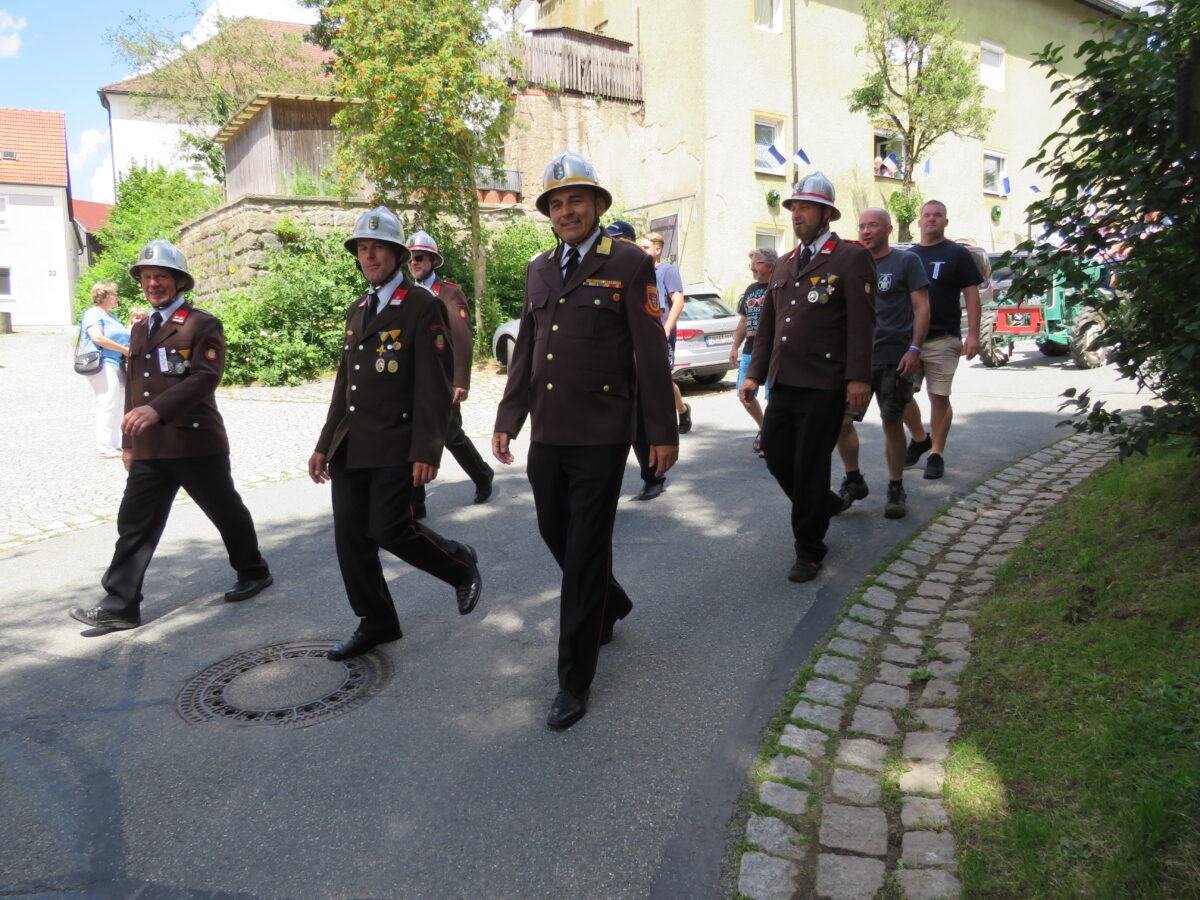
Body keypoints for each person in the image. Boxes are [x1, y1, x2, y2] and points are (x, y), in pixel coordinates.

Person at [492, 152, 678, 729]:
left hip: (602, 431)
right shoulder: (539, 268)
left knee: (584, 552)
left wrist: (660, 430)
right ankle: (611, 601)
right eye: (556, 203)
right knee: (555, 531)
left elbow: (649, 350)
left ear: (598, 205)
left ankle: (573, 679)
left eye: (576, 199)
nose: (566, 210)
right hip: (549, 430)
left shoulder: (628, 262)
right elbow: (526, 349)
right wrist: (508, 416)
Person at [308, 207, 483, 662]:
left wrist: (428, 448)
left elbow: (434, 385)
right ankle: (377, 620)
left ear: (398, 255)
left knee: (389, 528)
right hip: (351, 445)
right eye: (362, 249)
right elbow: (344, 385)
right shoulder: (357, 309)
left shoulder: (422, 305)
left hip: (396, 441)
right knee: (351, 540)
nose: (369, 256)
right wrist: (324, 444)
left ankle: (459, 564)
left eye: (378, 248)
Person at [69, 241, 273, 630]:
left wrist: (157, 410)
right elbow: (134, 388)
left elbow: (204, 378)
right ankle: (121, 605)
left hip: (194, 442)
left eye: (161, 276)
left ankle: (253, 570)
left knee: (225, 511)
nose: (153, 283)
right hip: (150, 447)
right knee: (134, 523)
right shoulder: (139, 328)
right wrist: (128, 444)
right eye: (147, 277)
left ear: (179, 281)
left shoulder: (201, 323)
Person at [740, 171, 875, 583]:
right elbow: (767, 326)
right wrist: (754, 374)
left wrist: (858, 377)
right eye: (794, 208)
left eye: (806, 208)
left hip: (824, 381)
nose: (797, 214)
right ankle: (821, 503)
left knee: (810, 465)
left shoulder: (849, 257)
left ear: (826, 214)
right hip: (784, 380)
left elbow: (862, 323)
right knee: (776, 454)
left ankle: (810, 549)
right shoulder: (784, 263)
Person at [834, 207, 930, 519]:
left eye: (873, 225)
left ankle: (895, 486)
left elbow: (922, 307)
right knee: (841, 421)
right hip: (856, 359)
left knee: (892, 421)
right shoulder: (851, 264)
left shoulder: (906, 261)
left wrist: (914, 348)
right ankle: (853, 479)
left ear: (888, 229)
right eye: (862, 226)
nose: (866, 231)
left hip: (894, 357)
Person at [405, 229, 495, 519]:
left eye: (420, 258)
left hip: (443, 380)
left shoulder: (448, 293)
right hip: (414, 381)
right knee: (414, 437)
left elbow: (462, 339)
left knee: (451, 434)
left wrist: (460, 381)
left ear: (433, 261)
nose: (414, 263)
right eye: (410, 258)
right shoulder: (406, 293)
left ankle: (482, 474)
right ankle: (417, 501)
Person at [902, 200, 983, 479]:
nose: (931, 219)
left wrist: (973, 334)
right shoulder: (908, 256)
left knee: (938, 396)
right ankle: (919, 438)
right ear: (919, 221)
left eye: (937, 215)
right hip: (909, 340)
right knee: (899, 394)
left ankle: (936, 453)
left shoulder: (957, 253)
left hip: (944, 337)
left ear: (945, 221)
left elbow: (971, 295)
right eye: (926, 215)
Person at [611, 220, 673, 501]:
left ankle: (653, 476)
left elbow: (652, 315)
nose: (614, 243)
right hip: (610, 363)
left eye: (619, 238)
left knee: (640, 425)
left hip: (637, 357)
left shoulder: (640, 266)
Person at [638, 231, 692, 435]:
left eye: (645, 247)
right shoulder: (640, 269)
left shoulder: (667, 270)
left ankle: (681, 411)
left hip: (662, 333)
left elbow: (678, 301)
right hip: (644, 333)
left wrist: (667, 328)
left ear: (658, 249)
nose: (641, 250)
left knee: (662, 379)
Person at [729, 248, 778, 457]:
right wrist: (735, 347)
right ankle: (765, 429)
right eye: (752, 264)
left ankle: (771, 436)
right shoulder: (751, 289)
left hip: (774, 351)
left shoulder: (780, 287)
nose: (752, 268)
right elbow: (744, 320)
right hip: (750, 350)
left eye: (757, 263)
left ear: (771, 266)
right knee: (745, 395)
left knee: (774, 398)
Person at [80, 282, 131, 458]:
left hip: (117, 363)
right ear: (104, 296)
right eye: (114, 294)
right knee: (108, 402)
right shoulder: (93, 313)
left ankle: (115, 443)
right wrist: (125, 350)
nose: (116, 298)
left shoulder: (111, 317)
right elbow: (97, 337)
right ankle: (104, 446)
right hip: (103, 363)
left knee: (119, 403)